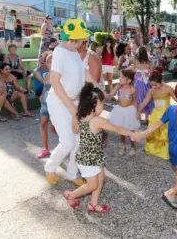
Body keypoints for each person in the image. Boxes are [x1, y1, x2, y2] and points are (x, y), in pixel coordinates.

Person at [63, 83, 133, 212]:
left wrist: (75, 116)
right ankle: (70, 195)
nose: (104, 106)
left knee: (101, 177)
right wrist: (132, 133)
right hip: (87, 159)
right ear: (94, 104)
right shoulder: (97, 121)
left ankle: (93, 204)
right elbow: (117, 129)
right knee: (92, 184)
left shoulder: (80, 117)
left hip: (92, 155)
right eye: (102, 104)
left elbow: (74, 129)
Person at [44, 18, 90, 186]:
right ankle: (50, 167)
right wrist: (71, 107)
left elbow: (85, 74)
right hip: (59, 102)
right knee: (68, 142)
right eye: (82, 38)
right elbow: (54, 81)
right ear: (74, 38)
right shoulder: (60, 52)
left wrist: (100, 89)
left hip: (75, 102)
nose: (84, 41)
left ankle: (72, 173)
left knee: (78, 141)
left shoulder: (75, 52)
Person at [137, 67, 177, 160]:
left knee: (165, 133)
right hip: (155, 114)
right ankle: (152, 149)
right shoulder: (151, 91)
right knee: (153, 131)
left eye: (155, 85)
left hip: (166, 115)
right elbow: (145, 102)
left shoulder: (168, 89)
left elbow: (176, 99)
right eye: (151, 85)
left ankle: (164, 152)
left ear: (161, 81)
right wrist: (138, 110)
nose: (153, 87)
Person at [107, 69, 140, 156]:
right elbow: (111, 94)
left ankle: (133, 148)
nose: (120, 79)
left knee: (131, 131)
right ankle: (123, 147)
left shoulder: (133, 90)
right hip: (120, 111)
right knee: (121, 131)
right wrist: (115, 88)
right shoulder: (119, 87)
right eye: (119, 77)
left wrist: (136, 112)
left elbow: (135, 101)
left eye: (122, 77)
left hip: (130, 112)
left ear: (128, 80)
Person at [38, 53, 56, 159]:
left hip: (55, 106)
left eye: (52, 61)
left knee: (55, 129)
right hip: (45, 105)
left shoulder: (60, 76)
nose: (50, 63)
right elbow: (46, 87)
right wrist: (41, 95)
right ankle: (45, 149)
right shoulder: (46, 74)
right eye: (48, 61)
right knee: (43, 125)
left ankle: (66, 147)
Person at [134, 46, 154, 124]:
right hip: (146, 82)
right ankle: (147, 118)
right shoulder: (149, 62)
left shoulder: (135, 61)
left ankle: (138, 117)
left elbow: (133, 71)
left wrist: (138, 72)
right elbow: (152, 73)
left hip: (138, 82)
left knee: (138, 99)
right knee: (147, 99)